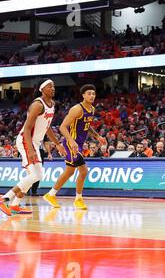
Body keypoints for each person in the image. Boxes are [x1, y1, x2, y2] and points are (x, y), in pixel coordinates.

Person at [0, 79, 66, 216]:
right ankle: (4, 198)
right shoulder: (37, 104)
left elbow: (47, 128)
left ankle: (15, 205)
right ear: (42, 89)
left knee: (38, 175)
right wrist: (30, 149)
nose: (53, 88)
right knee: (35, 174)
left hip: (35, 142)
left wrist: (58, 144)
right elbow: (28, 129)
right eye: (49, 86)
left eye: (53, 86)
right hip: (26, 140)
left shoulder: (52, 104)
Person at [43, 84, 106, 210]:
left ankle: (51, 194)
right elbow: (62, 127)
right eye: (89, 93)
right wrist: (71, 141)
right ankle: (78, 199)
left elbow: (87, 126)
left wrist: (97, 136)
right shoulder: (77, 109)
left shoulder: (92, 109)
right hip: (71, 144)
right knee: (83, 171)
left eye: (93, 94)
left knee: (69, 171)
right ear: (83, 95)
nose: (92, 96)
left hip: (79, 145)